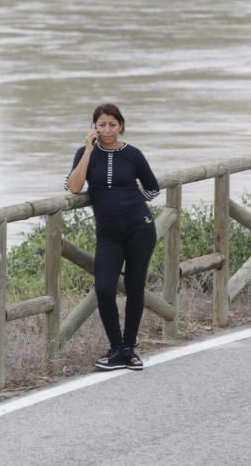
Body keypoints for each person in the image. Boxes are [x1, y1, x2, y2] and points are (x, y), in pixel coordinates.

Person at [65, 103, 160, 371]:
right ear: (94, 127)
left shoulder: (134, 155)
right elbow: (73, 187)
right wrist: (87, 150)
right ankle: (116, 348)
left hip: (140, 229)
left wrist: (130, 205)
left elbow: (153, 189)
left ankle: (129, 350)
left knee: (134, 287)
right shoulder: (85, 153)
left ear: (121, 126)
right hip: (108, 234)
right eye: (101, 124)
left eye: (112, 124)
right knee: (104, 288)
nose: (107, 129)